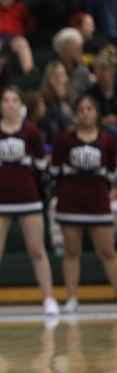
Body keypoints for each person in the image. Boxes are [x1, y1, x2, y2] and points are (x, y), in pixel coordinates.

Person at [0, 86, 60, 317]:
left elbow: (41, 163)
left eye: (14, 100)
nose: (10, 104)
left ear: (21, 104)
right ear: (0, 105)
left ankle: (49, 299)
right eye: (6, 100)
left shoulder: (31, 131)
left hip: (28, 197)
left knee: (37, 249)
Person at [49, 95, 117, 313]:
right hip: (71, 201)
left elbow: (112, 173)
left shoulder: (108, 141)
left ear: (96, 112)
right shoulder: (64, 140)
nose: (86, 113)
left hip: (98, 201)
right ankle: (72, 298)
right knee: (71, 251)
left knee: (108, 251)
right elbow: (55, 171)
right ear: (76, 114)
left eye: (89, 109)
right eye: (81, 109)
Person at [39, 60, 78, 150]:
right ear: (49, 79)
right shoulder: (42, 99)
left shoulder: (74, 97)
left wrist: (62, 101)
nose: (59, 80)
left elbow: (75, 125)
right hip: (50, 143)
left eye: (62, 75)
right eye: (56, 76)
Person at [53, 27, 94, 96]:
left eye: (81, 48)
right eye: (76, 49)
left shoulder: (83, 71)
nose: (81, 52)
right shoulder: (53, 71)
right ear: (64, 50)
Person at [87, 44, 117, 138]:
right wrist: (101, 121)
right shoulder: (91, 93)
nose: (99, 74)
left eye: (102, 70)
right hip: (99, 133)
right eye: (96, 70)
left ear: (113, 70)